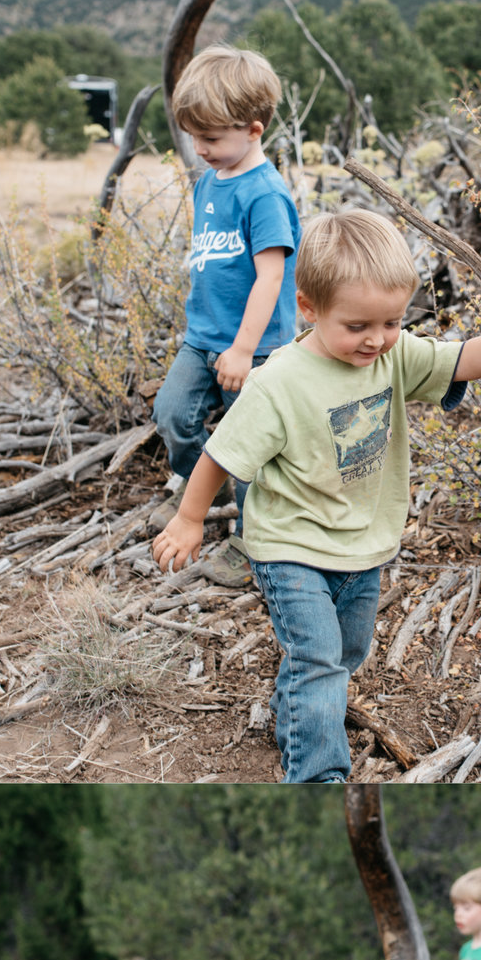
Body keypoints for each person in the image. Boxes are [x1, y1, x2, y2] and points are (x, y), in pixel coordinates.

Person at [151, 209, 481, 781]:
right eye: (358, 325)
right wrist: (190, 520)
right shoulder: (280, 381)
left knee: (343, 654)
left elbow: (461, 359)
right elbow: (221, 455)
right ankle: (318, 773)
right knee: (317, 659)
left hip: (364, 543)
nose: (377, 339)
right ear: (308, 309)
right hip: (290, 547)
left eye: (391, 321)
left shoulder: (392, 354)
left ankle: (296, 716)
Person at [151, 45, 299, 590]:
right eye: (194, 137)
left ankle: (249, 543)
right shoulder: (208, 181)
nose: (200, 149)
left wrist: (241, 350)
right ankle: (198, 490)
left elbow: (271, 278)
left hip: (254, 349)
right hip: (202, 339)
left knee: (255, 452)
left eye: (210, 139)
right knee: (171, 416)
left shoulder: (264, 195)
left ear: (253, 129)